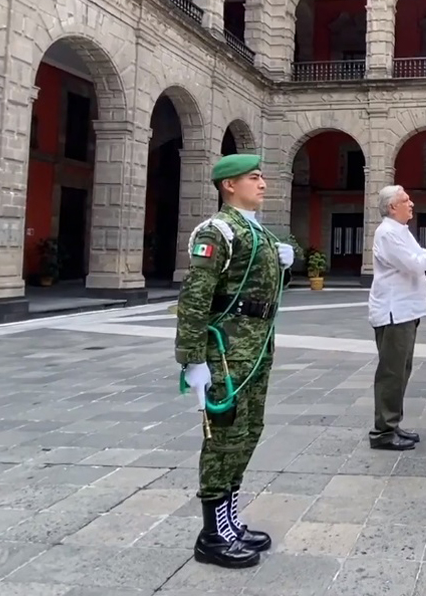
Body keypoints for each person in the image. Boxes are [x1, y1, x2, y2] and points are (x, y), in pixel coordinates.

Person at [176, 153, 293, 569]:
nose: (262, 184)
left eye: (262, 177)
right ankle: (211, 535)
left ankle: (229, 523)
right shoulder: (219, 230)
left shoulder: (257, 231)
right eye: (253, 177)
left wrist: (285, 266)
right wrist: (192, 360)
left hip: (256, 349)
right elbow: (195, 299)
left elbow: (261, 288)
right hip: (226, 353)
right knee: (223, 439)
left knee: (248, 432)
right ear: (229, 185)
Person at [367, 185, 426, 451]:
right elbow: (419, 264)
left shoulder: (400, 231)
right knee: (392, 373)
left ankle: (392, 424)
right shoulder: (388, 234)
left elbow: (418, 258)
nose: (411, 204)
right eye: (405, 200)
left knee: (400, 371)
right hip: (394, 313)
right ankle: (383, 432)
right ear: (392, 207)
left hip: (404, 311)